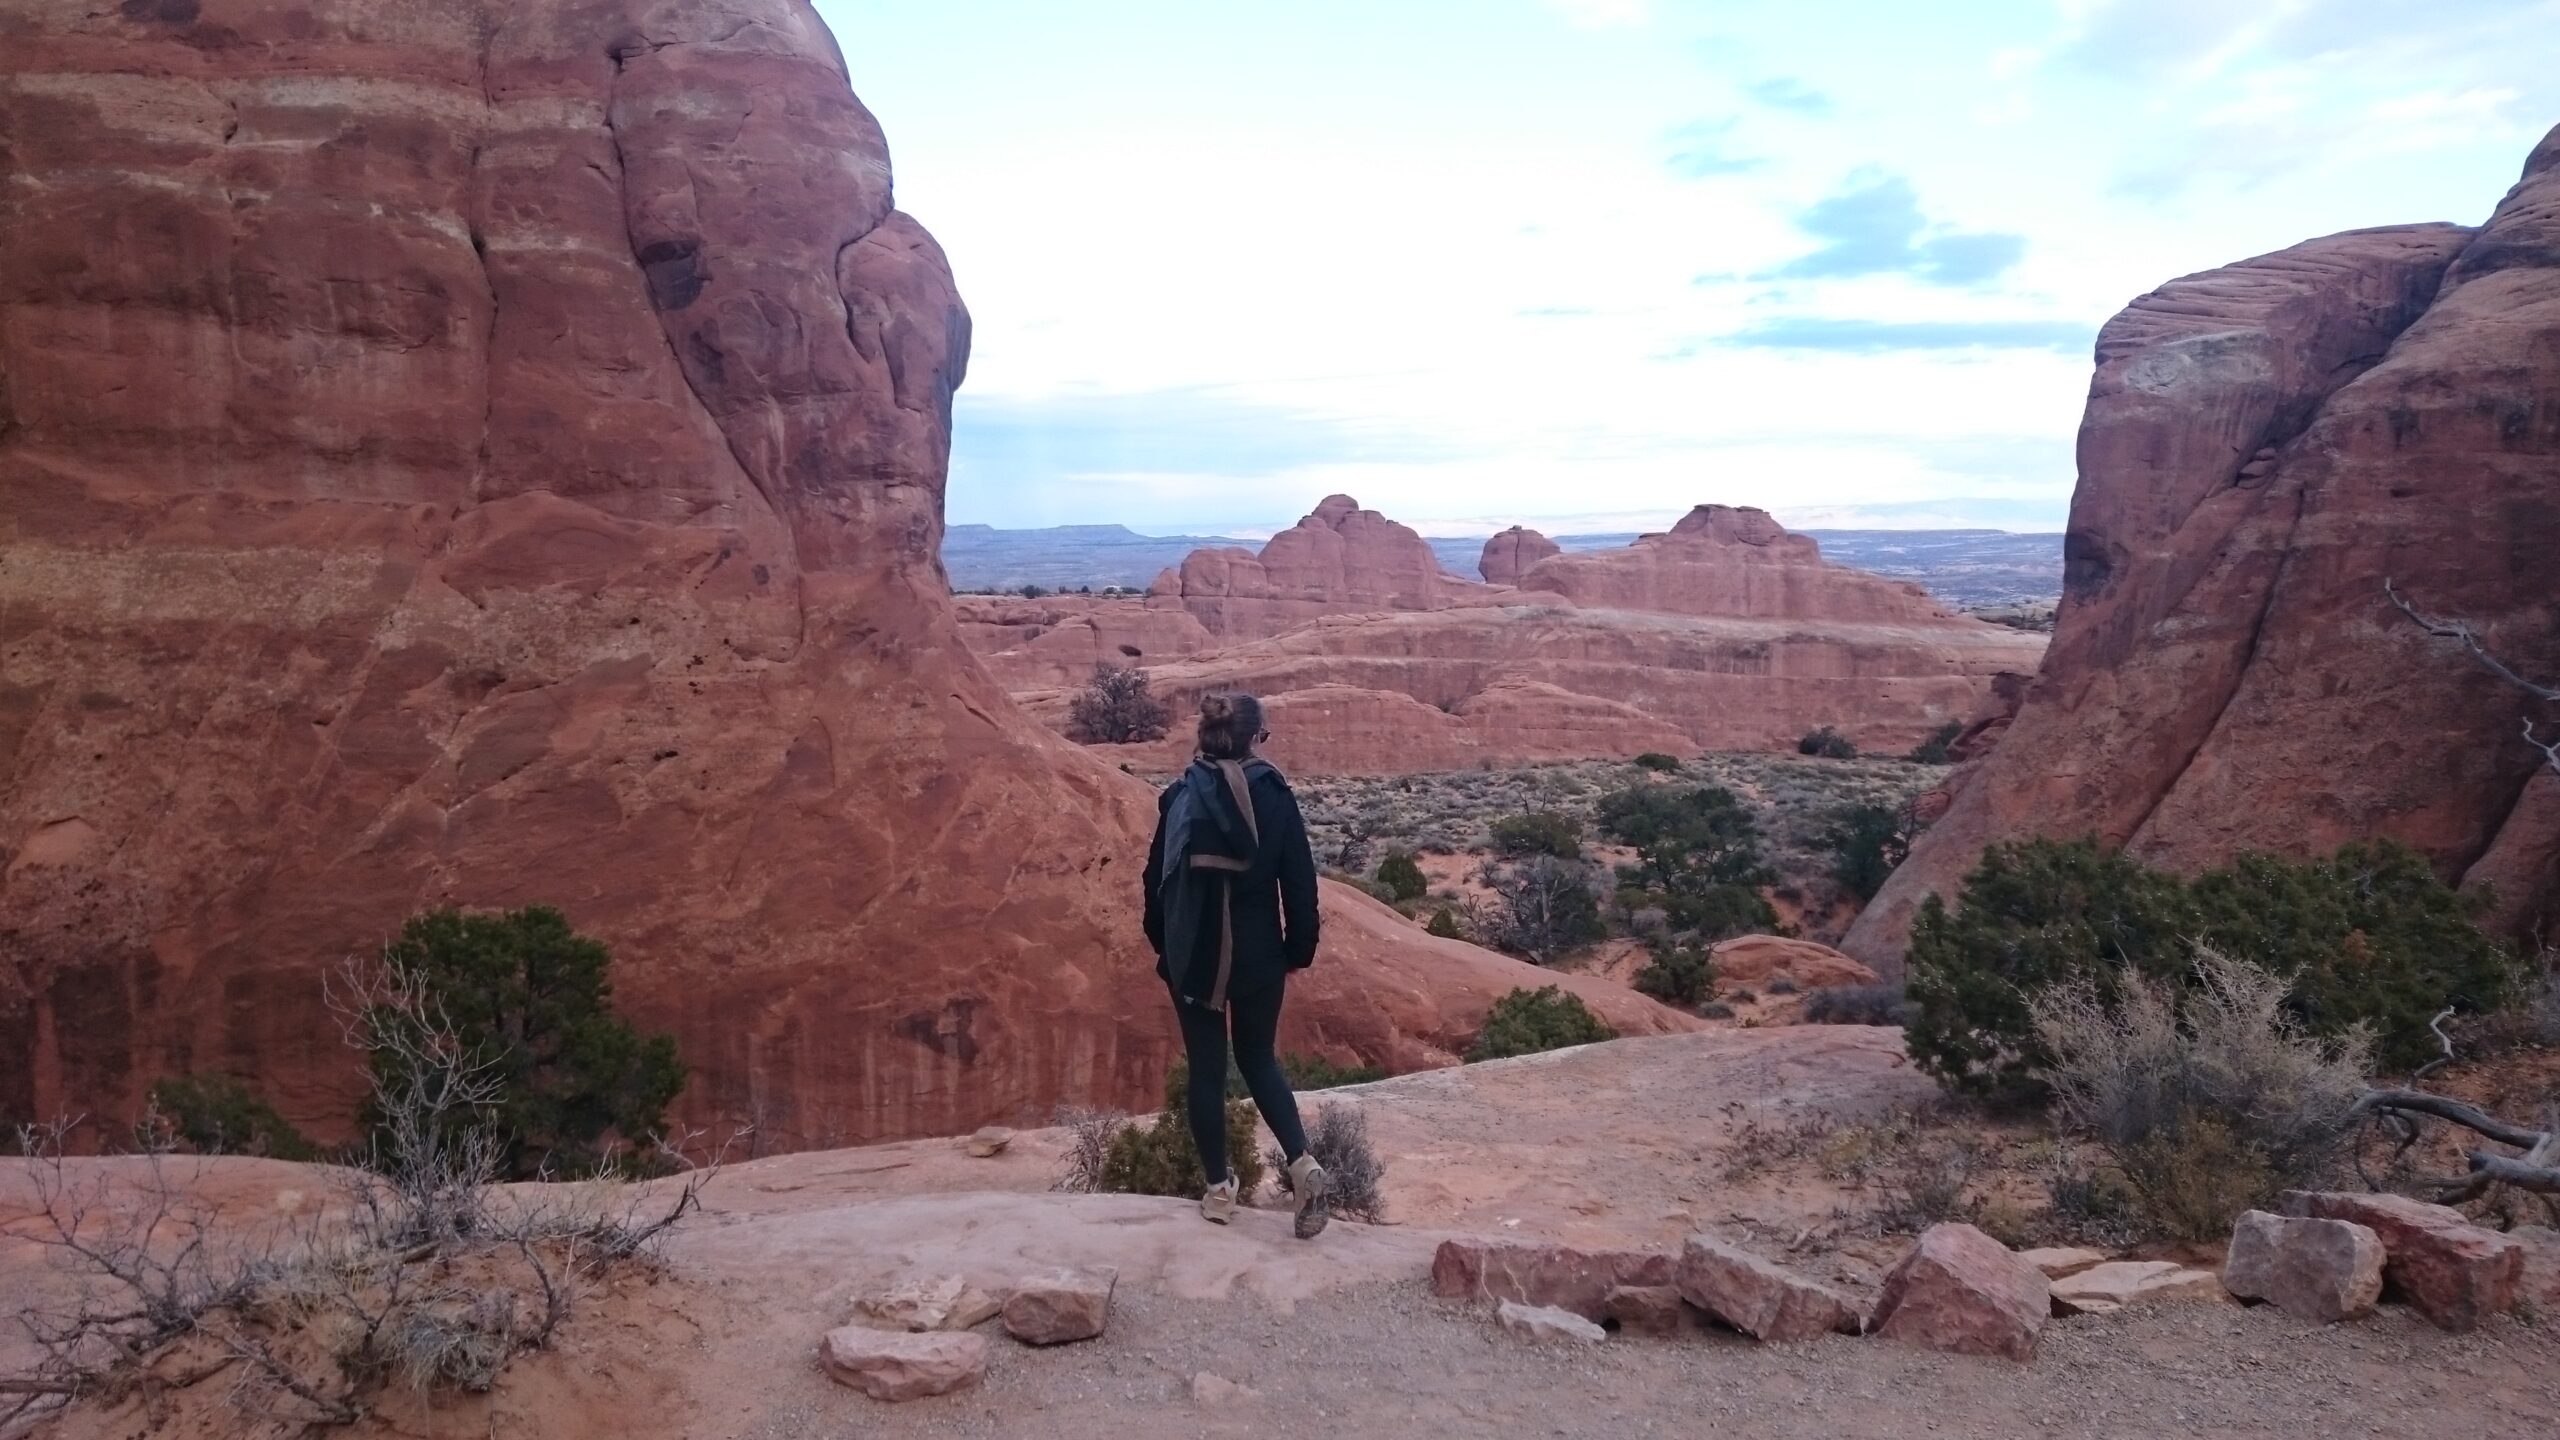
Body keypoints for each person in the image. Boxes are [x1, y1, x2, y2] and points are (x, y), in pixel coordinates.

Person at [1142, 692, 1329, 1238]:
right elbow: (1299, 881)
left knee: (1206, 1068)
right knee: (1258, 1059)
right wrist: (1298, 952)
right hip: (1257, 956)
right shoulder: (1273, 795)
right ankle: (1302, 1164)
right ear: (1253, 738)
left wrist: (1164, 947)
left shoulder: (1180, 797)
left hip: (1194, 954)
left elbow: (1156, 879)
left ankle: (1219, 1193)